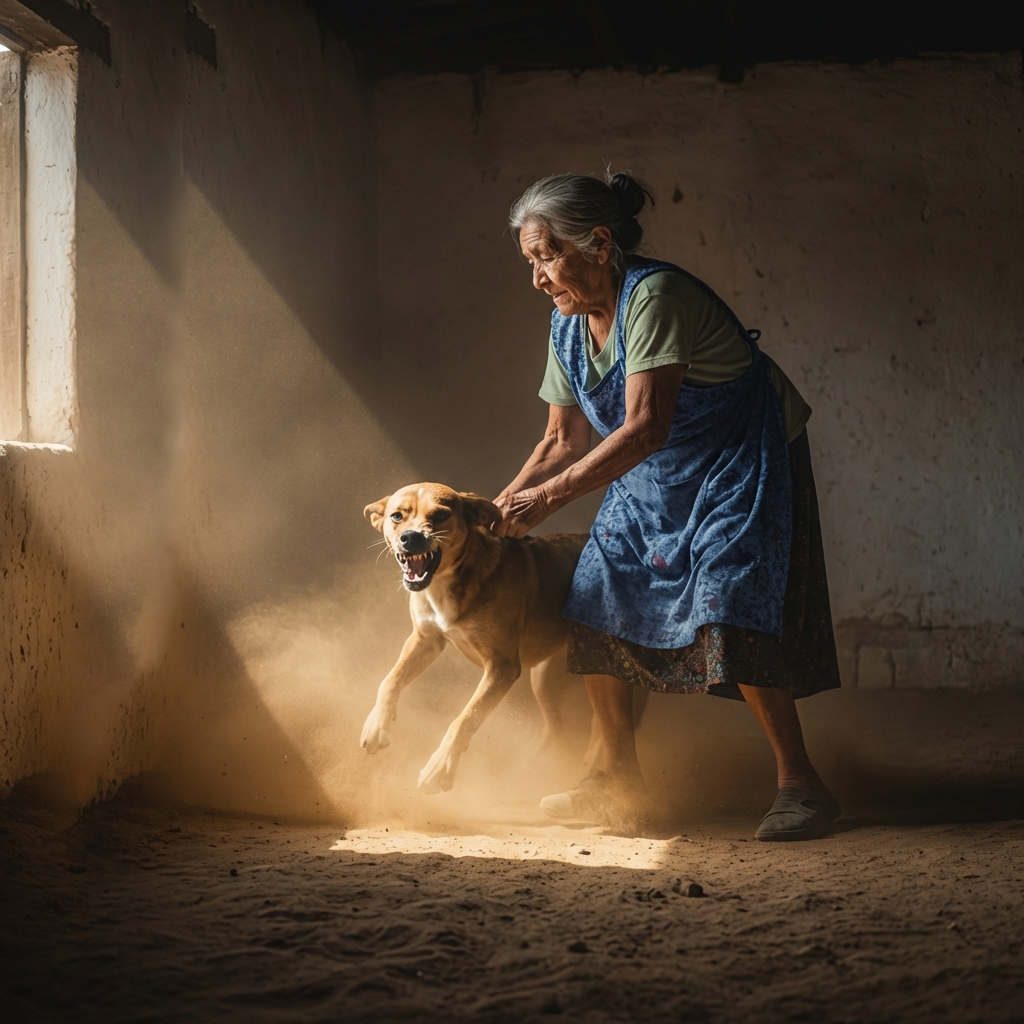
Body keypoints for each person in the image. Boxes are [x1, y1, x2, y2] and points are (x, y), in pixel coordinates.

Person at [493, 172, 842, 841]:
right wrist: (498, 512)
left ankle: (802, 784)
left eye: (547, 256)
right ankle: (614, 776)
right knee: (596, 591)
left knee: (729, 597)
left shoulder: (654, 297)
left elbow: (645, 426)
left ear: (598, 242)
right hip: (654, 469)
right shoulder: (566, 327)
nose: (538, 277)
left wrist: (547, 500)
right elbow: (560, 439)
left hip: (738, 457)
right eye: (530, 262)